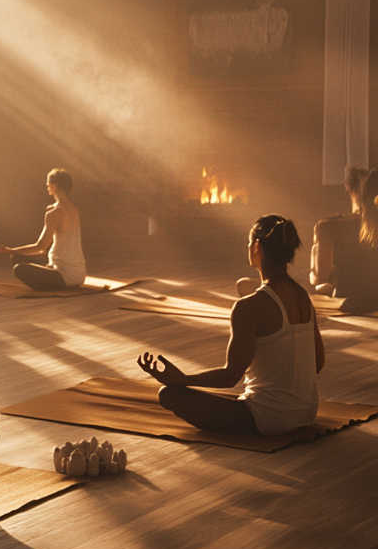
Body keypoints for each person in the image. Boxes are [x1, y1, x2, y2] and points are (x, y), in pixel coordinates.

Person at [138, 215, 325, 436]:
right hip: (308, 412)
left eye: (249, 243)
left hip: (268, 419)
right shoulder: (303, 296)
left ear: (257, 246)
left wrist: (181, 380)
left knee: (169, 394)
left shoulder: (248, 307)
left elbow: (230, 377)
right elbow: (318, 363)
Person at [0, 168, 86, 290]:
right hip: (79, 275)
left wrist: (11, 250)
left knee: (19, 268)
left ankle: (51, 282)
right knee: (17, 257)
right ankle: (50, 270)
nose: (47, 186)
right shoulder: (74, 209)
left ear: (54, 185)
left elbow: (41, 247)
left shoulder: (54, 213)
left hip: (63, 277)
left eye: (48, 183)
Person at [309, 167, 378, 315]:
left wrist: (312, 275)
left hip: (349, 300)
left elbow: (319, 278)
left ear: (348, 188)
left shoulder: (330, 227)